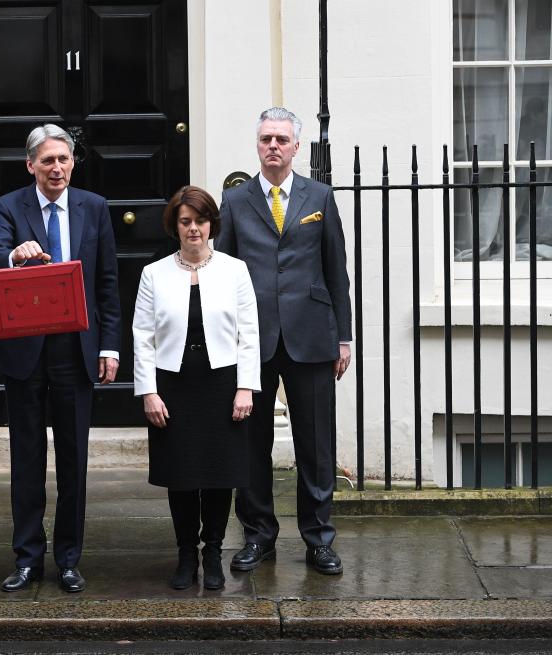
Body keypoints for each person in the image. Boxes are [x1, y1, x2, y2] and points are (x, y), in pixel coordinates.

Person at [0, 124, 122, 593]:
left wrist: (109, 345)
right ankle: (26, 558)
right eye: (48, 161)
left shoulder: (94, 207)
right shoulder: (10, 207)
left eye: (63, 159)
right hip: (26, 351)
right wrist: (13, 254)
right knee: (26, 458)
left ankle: (68, 559)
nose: (57, 167)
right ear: (31, 166)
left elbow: (107, 281)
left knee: (73, 460)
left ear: (72, 162)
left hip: (76, 349)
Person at [215, 107, 352, 575]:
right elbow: (222, 273)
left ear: (297, 147)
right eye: (266, 139)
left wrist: (345, 338)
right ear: (258, 146)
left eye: (282, 139)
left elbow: (337, 273)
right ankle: (258, 536)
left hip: (312, 335)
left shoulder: (320, 196)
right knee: (250, 443)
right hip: (252, 339)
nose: (273, 146)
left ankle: (318, 539)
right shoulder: (235, 201)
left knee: (315, 444)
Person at [133, 185, 260, 590]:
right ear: (176, 225)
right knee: (182, 475)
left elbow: (249, 333)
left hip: (221, 382)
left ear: (211, 225)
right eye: (185, 221)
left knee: (220, 474)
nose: (193, 229)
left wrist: (246, 388)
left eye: (200, 221)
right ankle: (186, 554)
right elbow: (142, 336)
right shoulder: (153, 274)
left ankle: (213, 552)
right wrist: (148, 391)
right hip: (173, 383)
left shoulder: (234, 269)